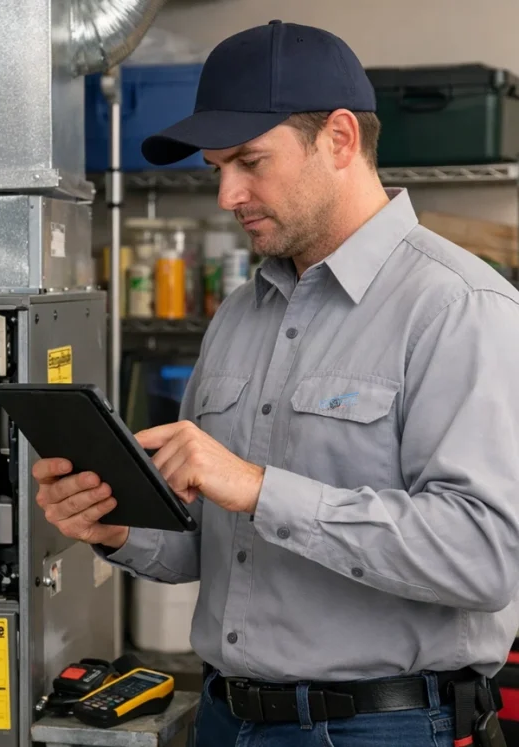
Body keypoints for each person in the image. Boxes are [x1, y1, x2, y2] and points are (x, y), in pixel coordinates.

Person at [35, 19, 519, 747]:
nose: (228, 193)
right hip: (226, 718)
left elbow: (484, 557)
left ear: (342, 140)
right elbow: (208, 541)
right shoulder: (239, 312)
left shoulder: (459, 308)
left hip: (385, 727)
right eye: (217, 167)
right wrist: (118, 526)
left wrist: (260, 486)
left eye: (250, 162)